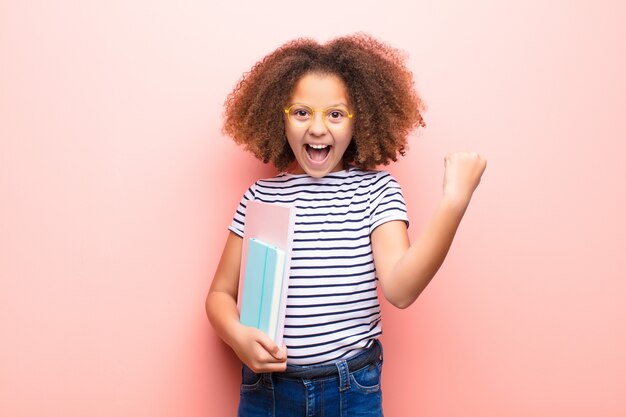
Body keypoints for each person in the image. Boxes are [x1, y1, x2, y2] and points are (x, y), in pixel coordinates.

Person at [206, 33, 486, 416]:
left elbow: (401, 290)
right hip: (269, 392)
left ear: (362, 121)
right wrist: (237, 336)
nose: (318, 128)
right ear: (280, 116)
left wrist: (454, 201)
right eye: (302, 112)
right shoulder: (260, 196)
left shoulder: (376, 192)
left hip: (349, 389)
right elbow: (220, 294)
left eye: (335, 114)